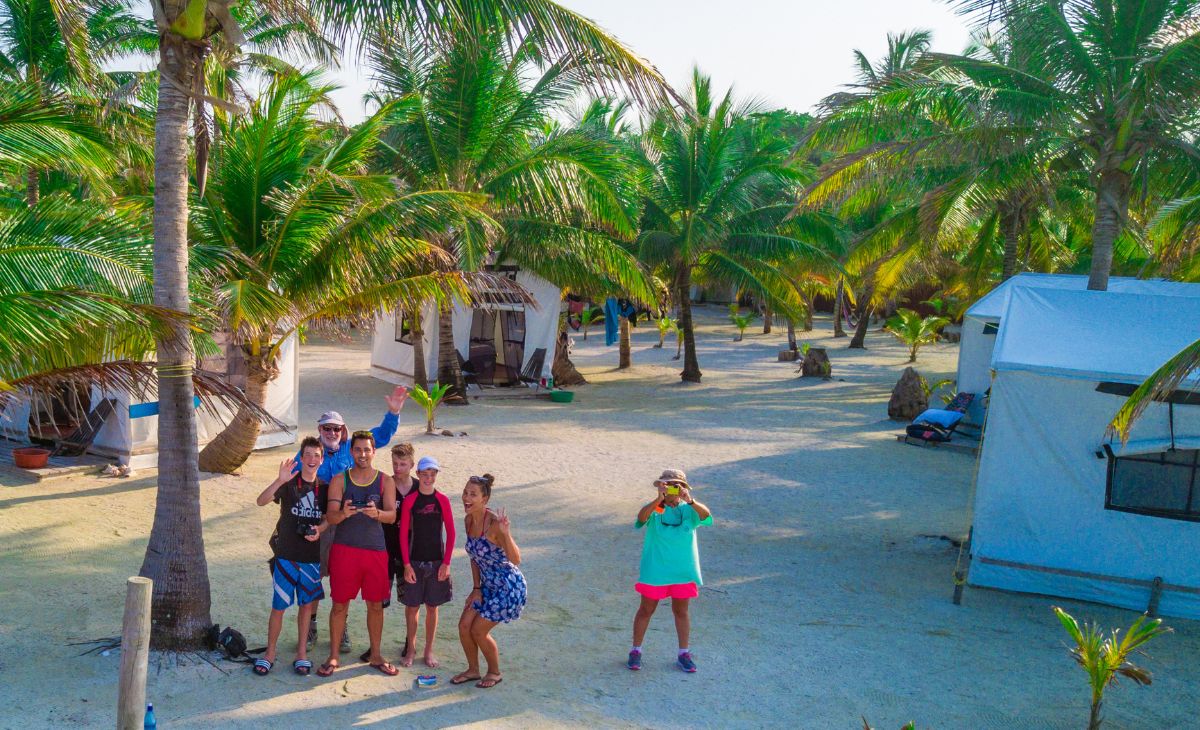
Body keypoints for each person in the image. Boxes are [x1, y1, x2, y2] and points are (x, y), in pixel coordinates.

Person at [304, 385, 408, 653]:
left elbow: (381, 435)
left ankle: (343, 628)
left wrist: (393, 412)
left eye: (336, 428)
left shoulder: (353, 447)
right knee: (316, 575)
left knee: (343, 581)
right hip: (321, 518)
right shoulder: (311, 451)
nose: (331, 433)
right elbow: (294, 476)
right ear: (319, 430)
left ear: (344, 431)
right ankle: (312, 625)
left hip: (349, 524)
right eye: (326, 428)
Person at [316, 431, 399, 677]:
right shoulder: (340, 480)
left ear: (374, 452)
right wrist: (344, 513)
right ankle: (333, 655)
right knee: (340, 604)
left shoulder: (385, 481)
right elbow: (331, 517)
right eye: (358, 449)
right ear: (351, 452)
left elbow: (392, 516)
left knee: (375, 606)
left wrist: (378, 514)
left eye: (367, 450)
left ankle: (375, 654)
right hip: (344, 550)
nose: (362, 454)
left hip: (375, 551)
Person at [253, 436, 328, 677]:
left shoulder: (324, 488)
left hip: (311, 558)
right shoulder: (289, 483)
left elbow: (330, 517)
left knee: (306, 607)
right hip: (286, 557)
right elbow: (261, 501)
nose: (312, 460)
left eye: (317, 455)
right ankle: (270, 654)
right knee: (279, 607)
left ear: (322, 459)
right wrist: (279, 479)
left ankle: (302, 654)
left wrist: (320, 529)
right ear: (301, 457)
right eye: (308, 455)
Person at [627, 468, 712, 673]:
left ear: (684, 487)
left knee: (681, 612)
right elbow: (641, 518)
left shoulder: (689, 510)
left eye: (677, 485)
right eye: (667, 485)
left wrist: (689, 500)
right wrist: (658, 499)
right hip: (655, 571)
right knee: (646, 610)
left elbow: (706, 515)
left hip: (682, 572)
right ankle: (635, 651)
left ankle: (684, 653)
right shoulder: (656, 510)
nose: (672, 488)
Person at [452, 474, 526, 689]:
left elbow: (516, 559)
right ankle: (473, 670)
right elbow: (474, 557)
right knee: (464, 625)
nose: (466, 497)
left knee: (478, 630)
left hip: (507, 587)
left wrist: (507, 533)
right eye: (465, 492)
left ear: (485, 499)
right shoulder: (468, 520)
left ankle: (494, 672)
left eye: (472, 494)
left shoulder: (494, 524)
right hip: (486, 585)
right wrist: (476, 589)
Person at [360, 443, 420, 663]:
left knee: (411, 603)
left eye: (403, 464)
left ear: (411, 465)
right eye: (395, 463)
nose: (398, 468)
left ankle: (410, 644)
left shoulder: (418, 487)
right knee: (377, 602)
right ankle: (374, 646)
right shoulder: (385, 484)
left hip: (409, 554)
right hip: (383, 550)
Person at [398, 456, 456, 668]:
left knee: (432, 607)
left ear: (436, 476)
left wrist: (446, 563)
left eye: (432, 474)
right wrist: (406, 564)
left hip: (436, 562)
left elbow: (450, 533)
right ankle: (411, 649)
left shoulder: (442, 500)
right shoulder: (410, 501)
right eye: (425, 474)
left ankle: (428, 649)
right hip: (414, 561)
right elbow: (403, 534)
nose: (428, 478)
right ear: (418, 475)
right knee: (412, 608)